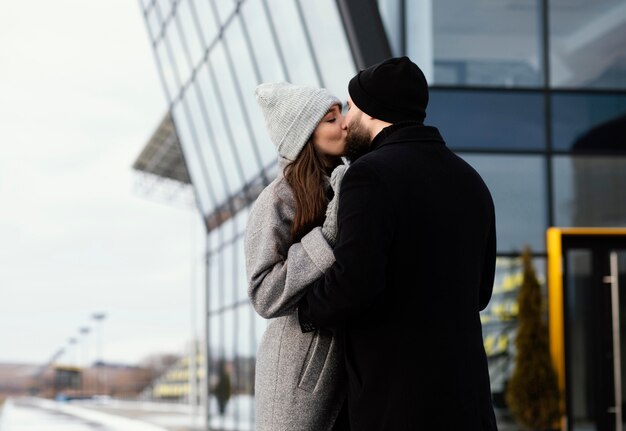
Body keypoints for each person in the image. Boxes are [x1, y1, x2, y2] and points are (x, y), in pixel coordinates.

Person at [297, 56, 499, 430]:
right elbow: (481, 292)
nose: (346, 120)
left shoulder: (369, 175)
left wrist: (305, 309)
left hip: (397, 404)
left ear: (373, 111)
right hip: (469, 405)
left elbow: (353, 284)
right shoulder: (471, 180)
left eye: (351, 107)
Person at [244, 82, 350, 430]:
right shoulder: (277, 199)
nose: (345, 123)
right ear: (305, 134)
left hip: (346, 365)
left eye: (343, 114)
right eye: (332, 119)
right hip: (297, 368)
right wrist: (326, 239)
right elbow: (263, 293)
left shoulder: (348, 182)